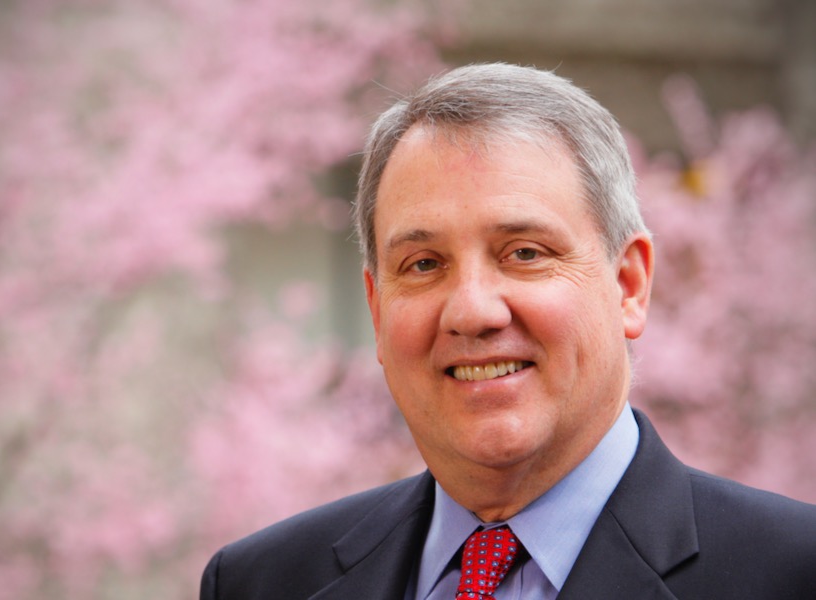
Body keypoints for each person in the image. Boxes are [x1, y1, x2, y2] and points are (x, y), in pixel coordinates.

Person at [200, 63, 816, 599]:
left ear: (628, 285)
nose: (472, 311)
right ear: (377, 310)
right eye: (423, 265)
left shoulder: (793, 573)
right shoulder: (262, 582)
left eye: (524, 252)